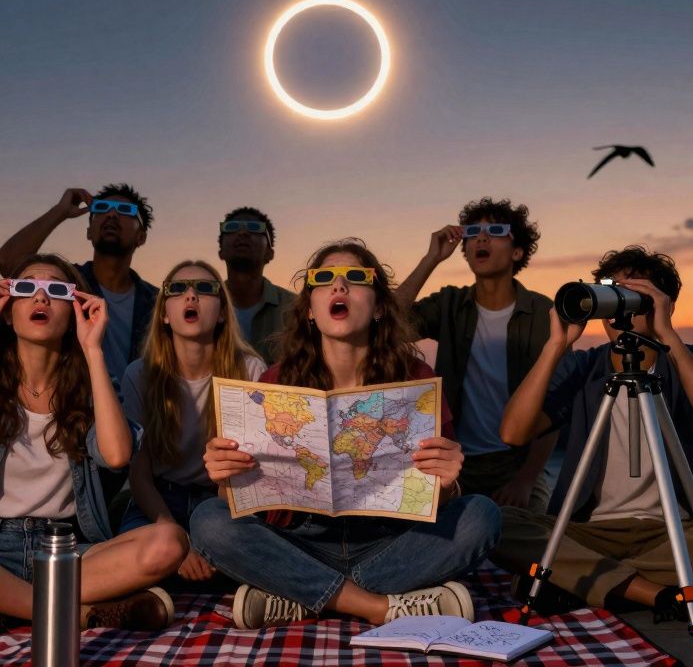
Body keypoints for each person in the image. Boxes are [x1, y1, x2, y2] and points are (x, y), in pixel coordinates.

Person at [190, 239, 503, 629]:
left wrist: (450, 483)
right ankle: (376, 606)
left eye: (356, 278)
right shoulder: (277, 382)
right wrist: (226, 479)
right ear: (308, 307)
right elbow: (242, 503)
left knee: (481, 515)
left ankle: (303, 595)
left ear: (378, 307)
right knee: (208, 519)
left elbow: (439, 499)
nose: (339, 287)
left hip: (388, 544)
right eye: (324, 279)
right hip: (301, 542)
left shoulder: (416, 381)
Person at [0, 254, 187, 644]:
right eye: (26, 288)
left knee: (168, 542)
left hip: (69, 549)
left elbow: (116, 455)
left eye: (56, 291)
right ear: (8, 312)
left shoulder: (93, 382)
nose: (41, 299)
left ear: (75, 310)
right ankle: (75, 614)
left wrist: (93, 350)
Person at [493, 246, 693, 624]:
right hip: (589, 532)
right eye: (610, 296)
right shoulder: (583, 366)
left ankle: (580, 581)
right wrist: (555, 346)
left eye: (633, 297)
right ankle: (665, 595)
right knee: (493, 522)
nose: (618, 312)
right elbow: (513, 432)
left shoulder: (690, 359)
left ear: (662, 305)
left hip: (674, 531)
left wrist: (669, 337)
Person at [395, 197, 555, 512]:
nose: (481, 238)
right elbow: (386, 324)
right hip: (454, 460)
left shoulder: (542, 312)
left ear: (517, 251)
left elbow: (554, 404)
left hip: (516, 464)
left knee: (534, 545)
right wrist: (431, 259)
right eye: (472, 233)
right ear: (465, 250)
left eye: (496, 231)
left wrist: (525, 480)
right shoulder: (450, 303)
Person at [119, 259, 267, 585]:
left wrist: (205, 539)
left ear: (224, 311)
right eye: (177, 289)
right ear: (163, 313)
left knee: (245, 554)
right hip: (158, 501)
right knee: (140, 559)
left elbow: (243, 471)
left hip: (221, 501)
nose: (191, 296)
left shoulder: (251, 370)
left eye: (204, 288)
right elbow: (139, 474)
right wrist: (177, 540)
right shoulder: (139, 375)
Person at [0, 184, 157, 386]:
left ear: (141, 237)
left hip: (140, 413)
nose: (112, 215)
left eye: (125, 210)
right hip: (77, 407)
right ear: (89, 231)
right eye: (102, 208)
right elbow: (7, 262)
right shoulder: (64, 285)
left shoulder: (157, 302)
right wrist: (59, 212)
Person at [217, 206, 297, 363]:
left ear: (270, 253)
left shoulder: (295, 308)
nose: (242, 233)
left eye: (255, 228)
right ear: (221, 252)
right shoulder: (203, 306)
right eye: (231, 228)